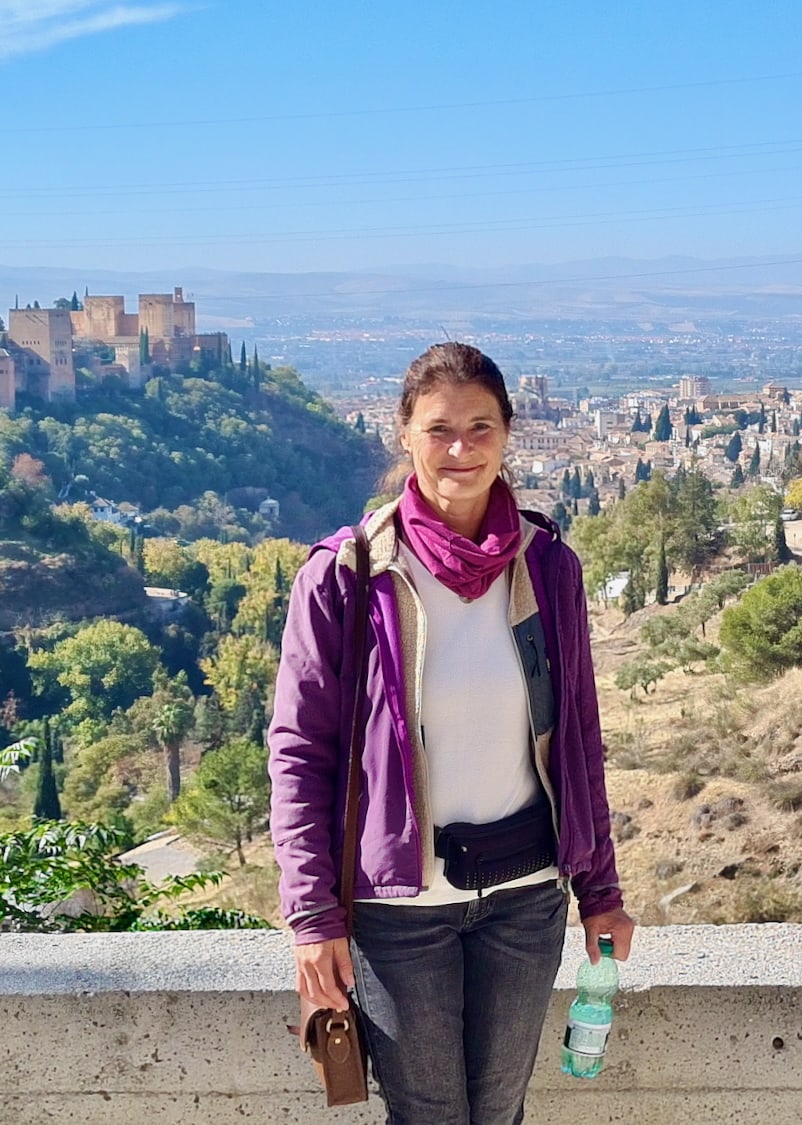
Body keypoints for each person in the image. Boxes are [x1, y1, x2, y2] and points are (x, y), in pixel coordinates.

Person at [268, 342, 636, 1124]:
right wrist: (311, 917)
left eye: (481, 427)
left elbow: (577, 736)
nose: (461, 449)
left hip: (527, 895)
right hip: (398, 911)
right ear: (403, 433)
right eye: (439, 430)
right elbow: (300, 754)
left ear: (508, 433)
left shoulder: (548, 566)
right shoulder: (346, 575)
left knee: (501, 1111)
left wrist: (601, 890)